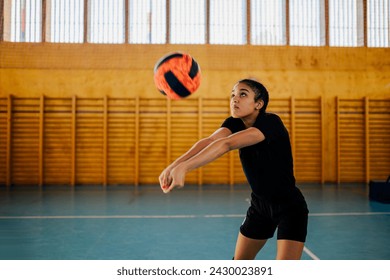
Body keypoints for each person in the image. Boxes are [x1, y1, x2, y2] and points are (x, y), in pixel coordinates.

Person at [159, 78, 309, 260]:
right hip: (260, 206)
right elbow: (209, 141)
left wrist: (185, 167)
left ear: (258, 104)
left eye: (242, 94)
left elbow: (226, 143)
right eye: (233, 94)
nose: (234, 99)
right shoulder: (235, 122)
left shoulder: (271, 123)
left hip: (289, 207)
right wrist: (174, 165)